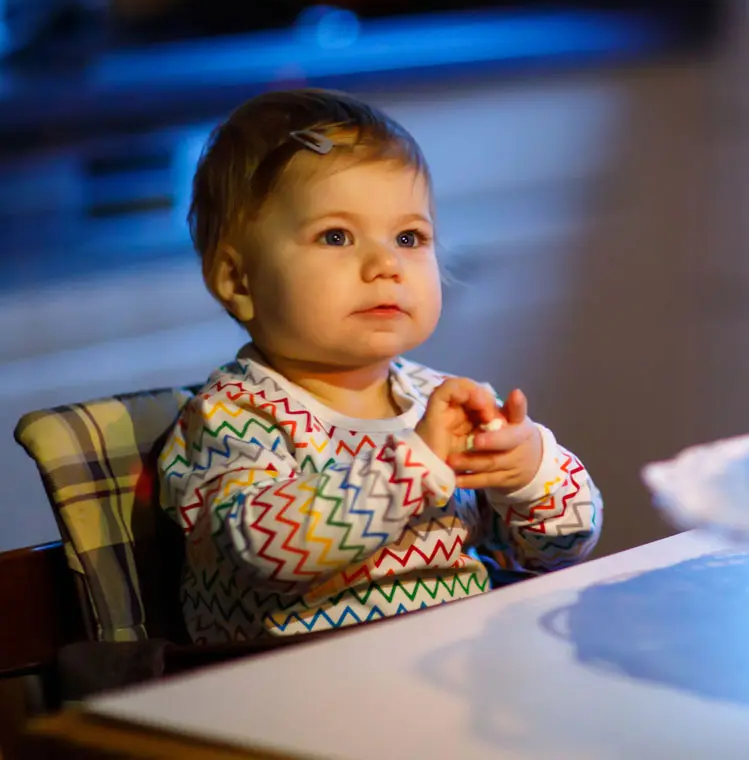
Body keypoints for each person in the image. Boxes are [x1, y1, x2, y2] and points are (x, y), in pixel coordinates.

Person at [159, 89, 602, 643]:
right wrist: (411, 465)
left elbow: (559, 549)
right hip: (290, 689)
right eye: (336, 236)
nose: (386, 263)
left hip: (450, 668)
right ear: (239, 280)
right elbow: (264, 547)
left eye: (409, 237)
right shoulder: (234, 418)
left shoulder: (442, 400)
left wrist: (530, 471)